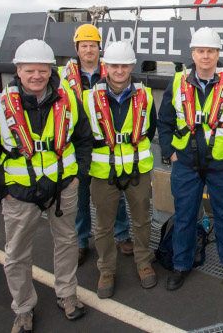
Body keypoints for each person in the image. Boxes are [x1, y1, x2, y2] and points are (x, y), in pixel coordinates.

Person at [0, 39, 92, 333]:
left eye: (43, 70)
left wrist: (79, 176)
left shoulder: (69, 102)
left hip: (63, 189)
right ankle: (23, 308)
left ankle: (67, 294)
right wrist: (2, 192)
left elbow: (84, 139)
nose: (37, 76)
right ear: (18, 71)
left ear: (51, 71)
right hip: (18, 195)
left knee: (66, 242)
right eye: (30, 71)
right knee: (16, 254)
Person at [157, 27, 223, 290]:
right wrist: (170, 152)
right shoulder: (177, 82)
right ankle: (181, 265)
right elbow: (164, 121)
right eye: (201, 51)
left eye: (210, 51)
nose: (205, 56)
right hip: (186, 164)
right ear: (193, 54)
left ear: (218, 54)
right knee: (185, 216)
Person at [81, 41, 157, 298]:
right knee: (103, 225)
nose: (119, 70)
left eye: (124, 65)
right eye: (114, 65)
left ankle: (144, 263)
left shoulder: (145, 95)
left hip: (137, 170)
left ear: (132, 66)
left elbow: (151, 128)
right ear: (106, 66)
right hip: (103, 173)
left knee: (142, 220)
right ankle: (106, 269)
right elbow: (82, 135)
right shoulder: (88, 98)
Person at [59, 23, 132, 265]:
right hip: (77, 144)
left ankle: (121, 235)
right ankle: (81, 240)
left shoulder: (110, 70)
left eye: (93, 45)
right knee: (79, 193)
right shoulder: (63, 76)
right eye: (84, 46)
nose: (89, 50)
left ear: (99, 48)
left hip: (105, 143)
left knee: (115, 191)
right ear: (76, 48)